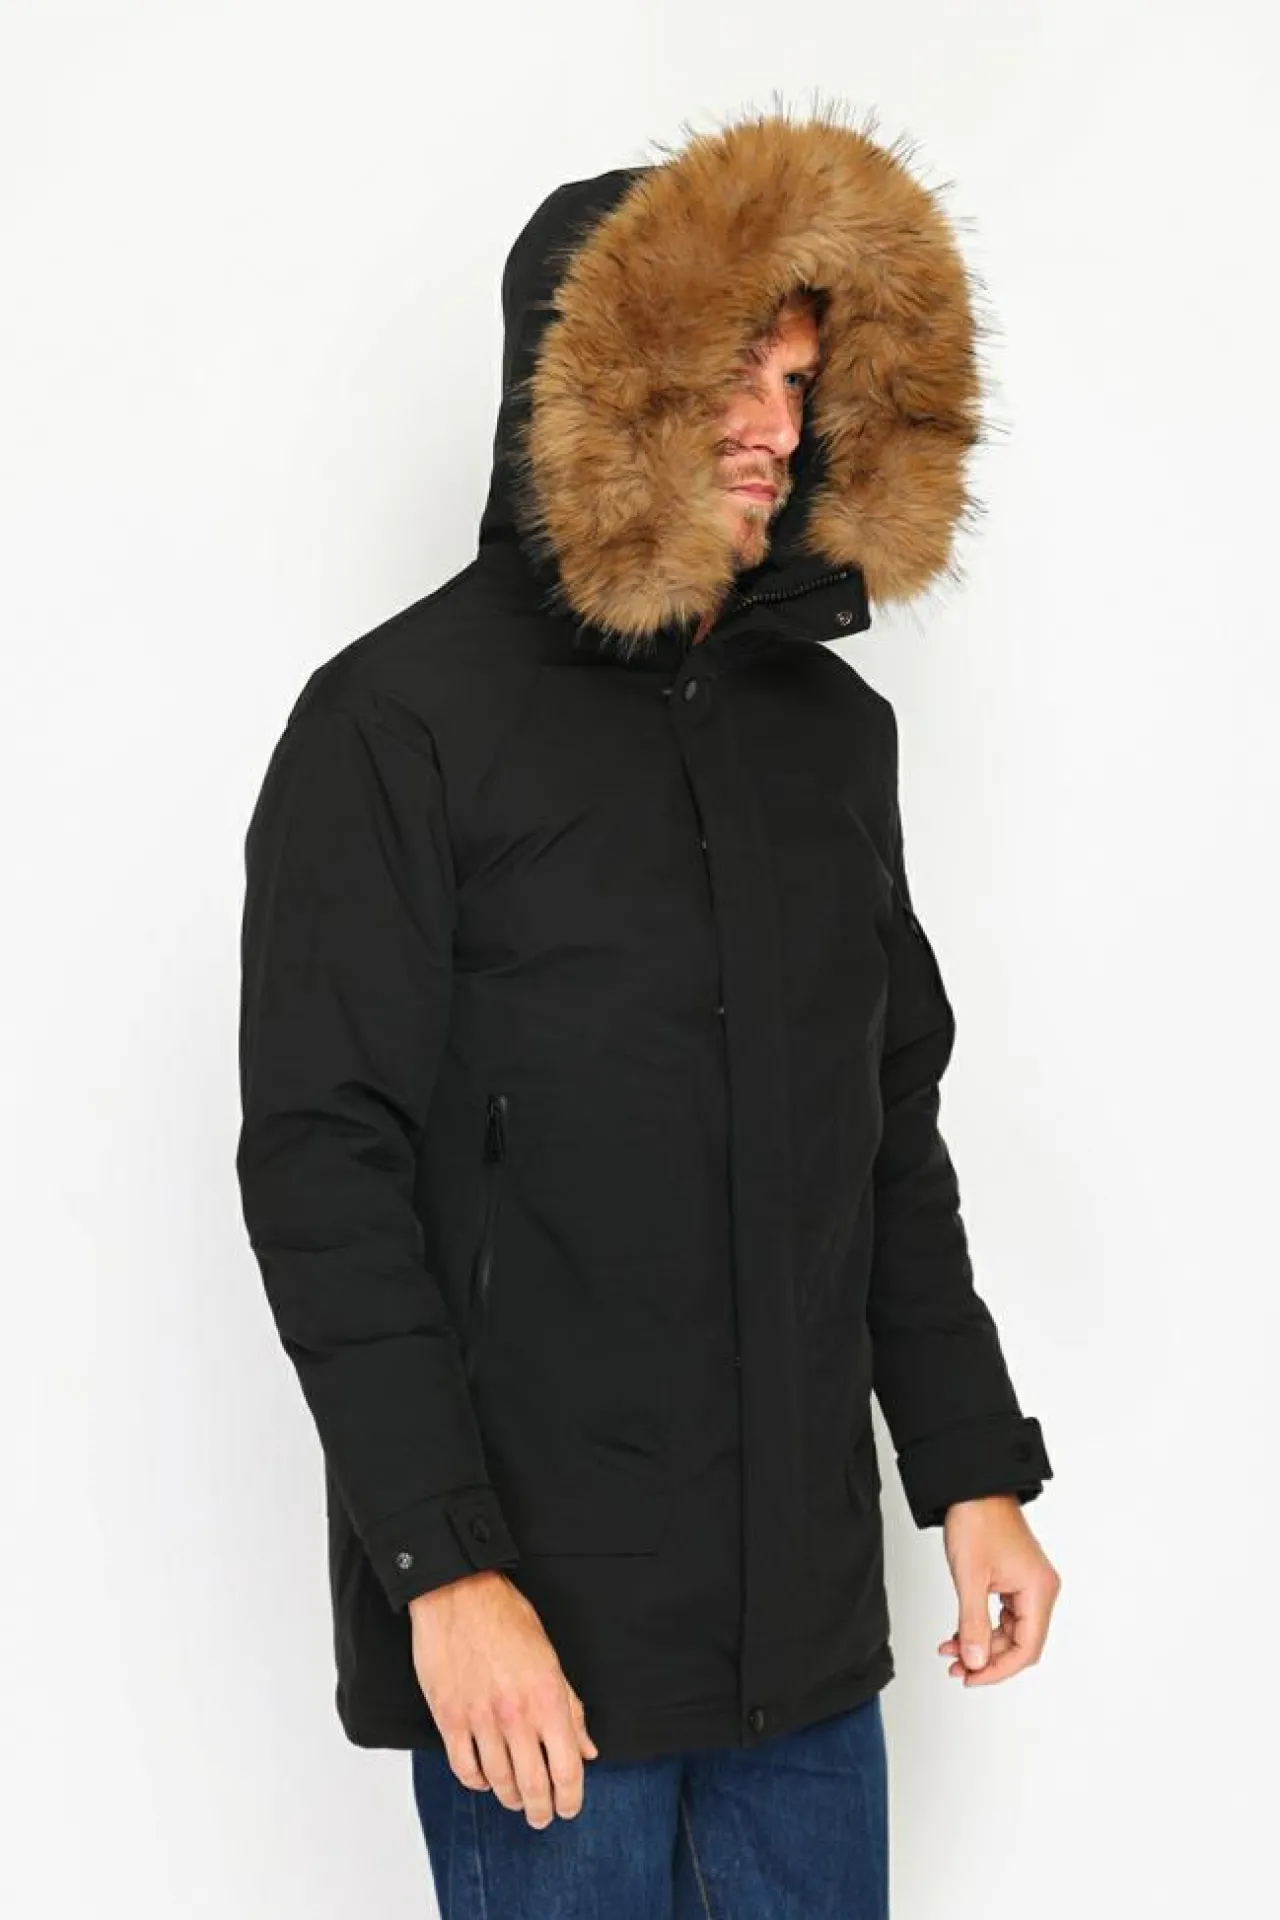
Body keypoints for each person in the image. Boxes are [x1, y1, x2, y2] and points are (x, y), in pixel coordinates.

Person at [235, 104, 1061, 1917]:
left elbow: (885, 1129)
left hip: (805, 1654)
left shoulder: (829, 738)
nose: (777, 424)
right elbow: (321, 1170)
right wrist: (444, 1575)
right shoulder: (397, 727)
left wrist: (971, 1471)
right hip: (540, 1652)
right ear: (604, 386)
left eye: (800, 380)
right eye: (729, 375)